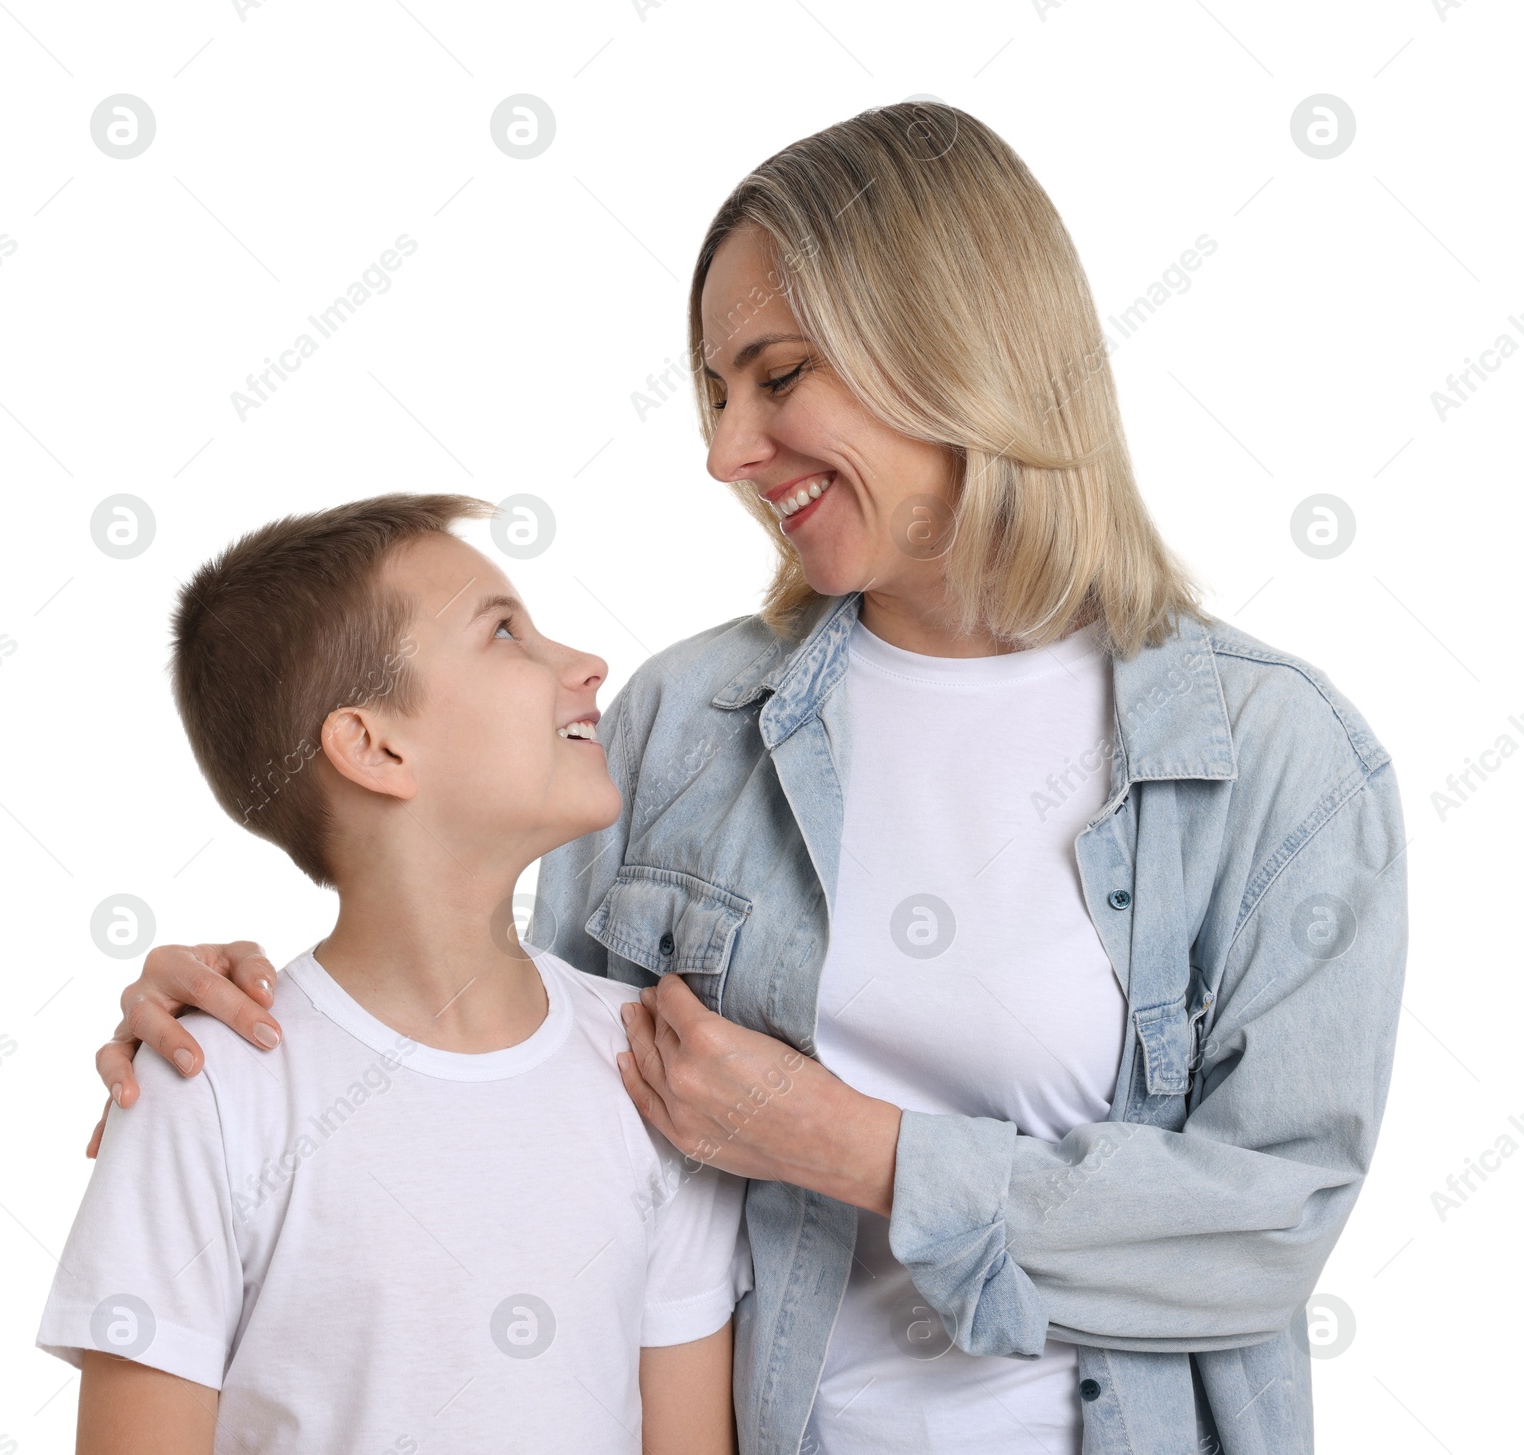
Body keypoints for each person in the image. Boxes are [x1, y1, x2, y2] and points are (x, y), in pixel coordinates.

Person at [89, 106, 1408, 1455]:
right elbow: (521, 1094)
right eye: (717, 393)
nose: (728, 449)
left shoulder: (1271, 756)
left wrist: (857, 1146)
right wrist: (247, 1042)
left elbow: (1266, 1231)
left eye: (776, 375)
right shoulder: (684, 722)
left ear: (952, 337)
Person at [43, 495, 748, 1455]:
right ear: (374, 745)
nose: (586, 666)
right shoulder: (208, 1090)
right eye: (504, 632)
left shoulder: (652, 1069)